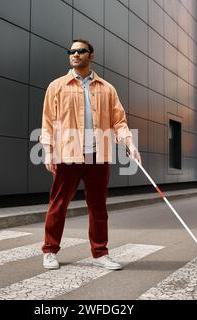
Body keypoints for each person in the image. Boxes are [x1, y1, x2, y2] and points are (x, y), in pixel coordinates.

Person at [38, 39, 141, 270]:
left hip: (98, 156)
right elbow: (47, 122)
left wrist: (130, 144)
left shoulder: (107, 88)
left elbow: (119, 122)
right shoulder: (57, 86)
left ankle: (100, 253)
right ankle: (50, 251)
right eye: (71, 51)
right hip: (68, 155)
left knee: (98, 207)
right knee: (58, 205)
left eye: (80, 51)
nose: (75, 55)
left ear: (91, 55)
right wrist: (48, 152)